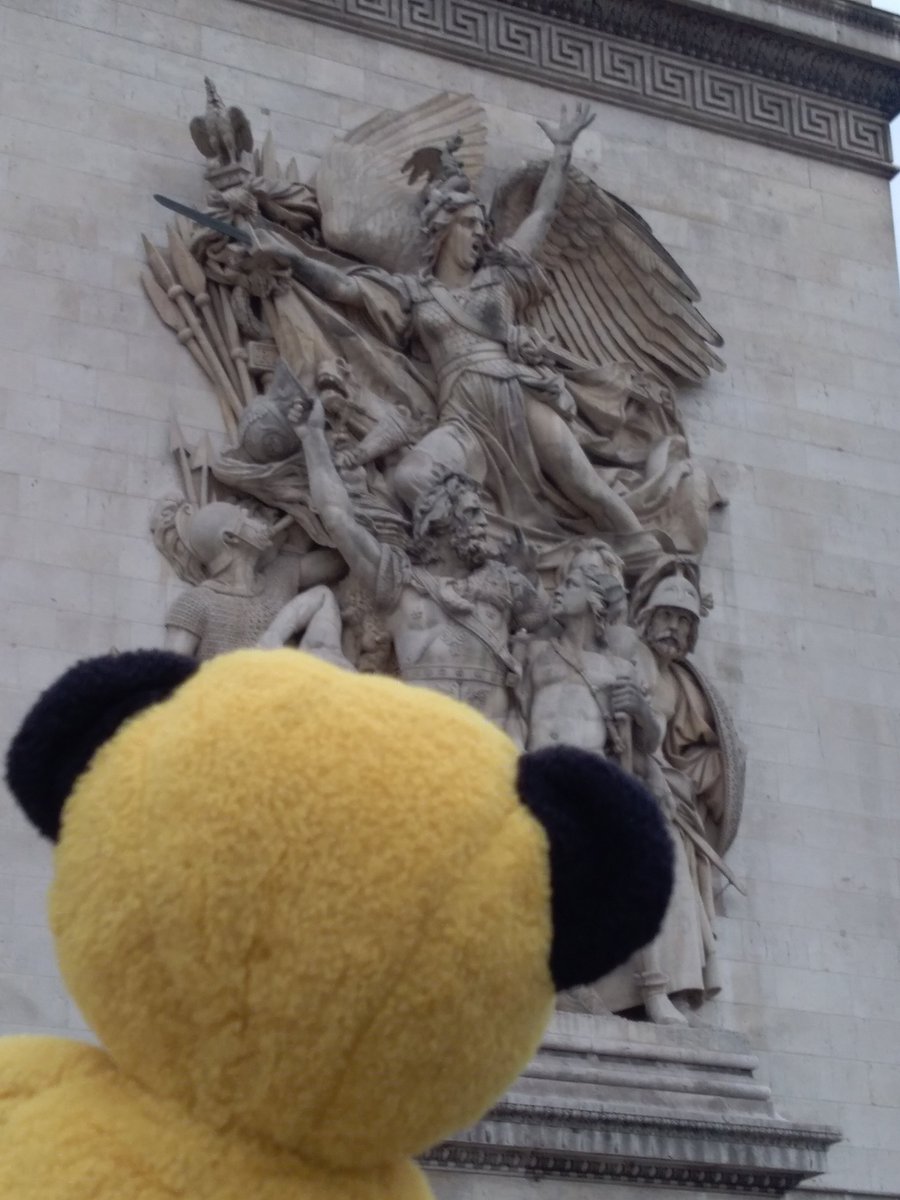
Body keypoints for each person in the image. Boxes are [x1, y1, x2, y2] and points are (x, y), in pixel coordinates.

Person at [248, 105, 657, 546]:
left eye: (481, 226)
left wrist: (560, 153)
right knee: (410, 477)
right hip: (462, 415)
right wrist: (295, 261)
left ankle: (650, 556)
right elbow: (345, 288)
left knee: (584, 485)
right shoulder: (415, 293)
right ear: (442, 230)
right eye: (468, 224)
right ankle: (480, 548)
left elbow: (541, 216)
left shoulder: (502, 280)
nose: (478, 234)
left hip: (516, 396)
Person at [292, 392, 547, 731]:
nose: (484, 523)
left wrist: (531, 577)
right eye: (472, 513)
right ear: (439, 518)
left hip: (495, 748)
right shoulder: (399, 582)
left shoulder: (505, 583)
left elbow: (549, 628)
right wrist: (312, 439)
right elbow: (338, 518)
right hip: (421, 742)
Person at [163, 502, 339, 660]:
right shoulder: (195, 603)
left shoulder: (280, 575)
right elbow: (168, 678)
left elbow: (343, 562)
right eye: (247, 518)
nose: (260, 523)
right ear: (231, 538)